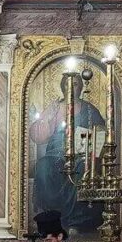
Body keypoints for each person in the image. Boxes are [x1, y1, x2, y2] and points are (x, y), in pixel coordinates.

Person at [29, 73, 106, 233]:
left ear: (81, 87)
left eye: (75, 84)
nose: (71, 87)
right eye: (67, 84)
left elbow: (100, 132)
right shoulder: (54, 107)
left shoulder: (89, 110)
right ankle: (52, 218)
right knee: (43, 167)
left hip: (80, 154)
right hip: (54, 155)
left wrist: (88, 145)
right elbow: (38, 136)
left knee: (82, 169)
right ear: (62, 86)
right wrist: (47, 119)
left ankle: (75, 222)